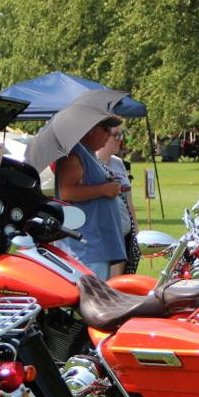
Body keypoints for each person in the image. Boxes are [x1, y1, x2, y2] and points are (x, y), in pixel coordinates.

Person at [54, 116, 126, 280]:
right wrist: (104, 190)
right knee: (92, 302)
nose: (109, 136)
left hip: (95, 246)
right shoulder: (75, 154)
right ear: (90, 128)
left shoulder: (88, 153)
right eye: (106, 130)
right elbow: (66, 191)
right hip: (85, 248)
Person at [96, 127, 141, 275]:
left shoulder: (118, 163)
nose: (119, 139)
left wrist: (136, 233)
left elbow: (128, 201)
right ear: (102, 136)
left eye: (121, 134)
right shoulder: (91, 164)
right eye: (115, 135)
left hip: (124, 237)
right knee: (108, 286)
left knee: (120, 285)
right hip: (104, 239)